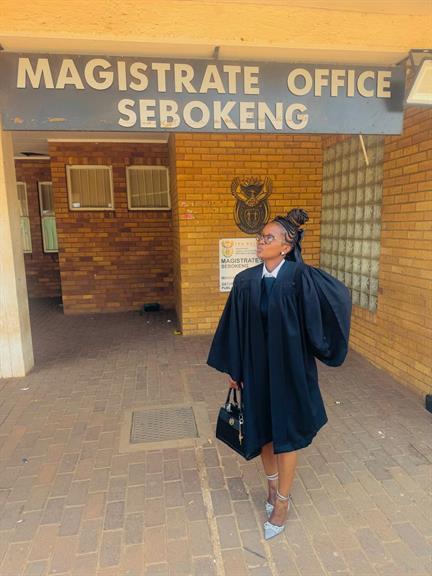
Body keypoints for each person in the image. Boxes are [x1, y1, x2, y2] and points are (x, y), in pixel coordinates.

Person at [207, 208, 352, 540]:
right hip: (256, 371)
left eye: (268, 237)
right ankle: (272, 487)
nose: (260, 241)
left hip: (290, 372)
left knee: (286, 434)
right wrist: (234, 369)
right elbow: (235, 327)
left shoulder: (302, 278)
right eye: (260, 236)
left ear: (286, 247)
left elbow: (338, 299)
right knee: (264, 431)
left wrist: (320, 342)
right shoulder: (245, 281)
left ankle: (282, 502)